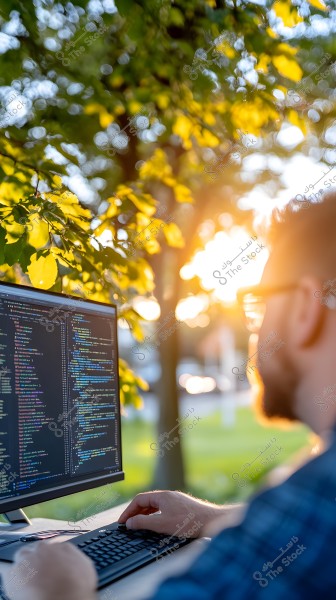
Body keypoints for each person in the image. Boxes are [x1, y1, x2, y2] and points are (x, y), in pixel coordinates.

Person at [4, 192, 336, 599]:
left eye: (258, 305)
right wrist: (210, 517)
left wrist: (59, 592)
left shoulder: (322, 493)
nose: (256, 329)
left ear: (305, 309)